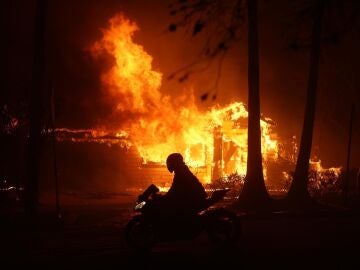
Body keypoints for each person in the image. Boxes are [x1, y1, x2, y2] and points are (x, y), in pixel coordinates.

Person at [146, 153, 207, 217]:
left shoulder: (181, 173)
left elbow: (173, 192)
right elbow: (175, 191)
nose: (168, 165)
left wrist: (162, 198)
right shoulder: (182, 171)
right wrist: (164, 197)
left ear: (174, 163)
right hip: (193, 200)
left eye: (169, 163)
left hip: (193, 202)